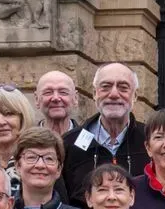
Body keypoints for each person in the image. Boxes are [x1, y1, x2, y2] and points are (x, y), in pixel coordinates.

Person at [63, 62, 148, 200]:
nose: (114, 94)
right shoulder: (69, 143)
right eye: (105, 87)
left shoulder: (149, 141)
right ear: (94, 94)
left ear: (135, 96)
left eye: (123, 87)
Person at [13, 127, 91, 209]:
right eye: (31, 157)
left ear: (59, 169)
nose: (40, 165)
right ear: (18, 166)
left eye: (49, 158)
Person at [34, 69, 80, 139]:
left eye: (63, 92)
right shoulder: (26, 143)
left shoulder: (91, 143)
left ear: (75, 98)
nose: (56, 98)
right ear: (37, 99)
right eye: (48, 92)